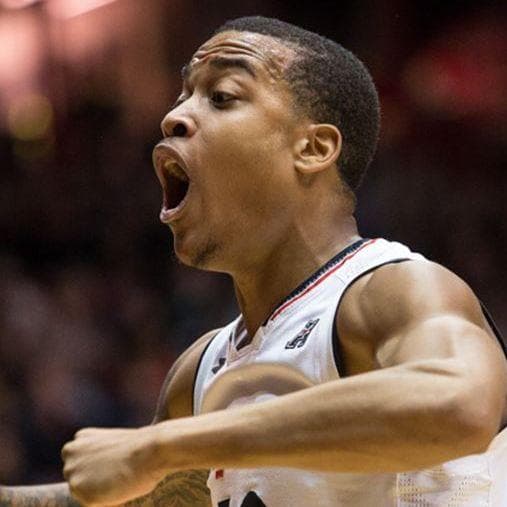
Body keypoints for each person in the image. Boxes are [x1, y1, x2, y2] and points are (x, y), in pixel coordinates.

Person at [1, 15, 506, 507]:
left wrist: (162, 446)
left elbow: (459, 405)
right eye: (181, 96)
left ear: (313, 148)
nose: (172, 117)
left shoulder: (392, 289)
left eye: (221, 97)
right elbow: (132, 489)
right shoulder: (200, 370)